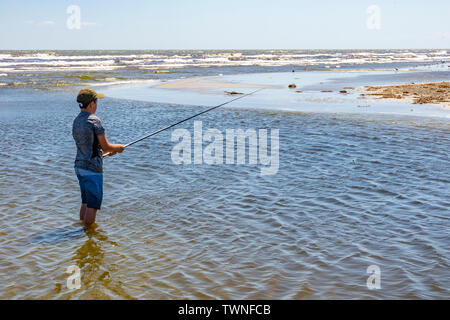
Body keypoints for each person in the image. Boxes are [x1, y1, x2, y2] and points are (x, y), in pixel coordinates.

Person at [72, 88, 125, 227]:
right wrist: (118, 148)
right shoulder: (94, 120)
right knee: (93, 205)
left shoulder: (76, 121)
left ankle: (81, 228)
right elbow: (105, 146)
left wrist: (105, 153)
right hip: (92, 170)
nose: (97, 105)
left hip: (79, 167)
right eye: (96, 102)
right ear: (91, 104)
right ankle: (88, 236)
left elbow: (89, 147)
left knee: (85, 202)